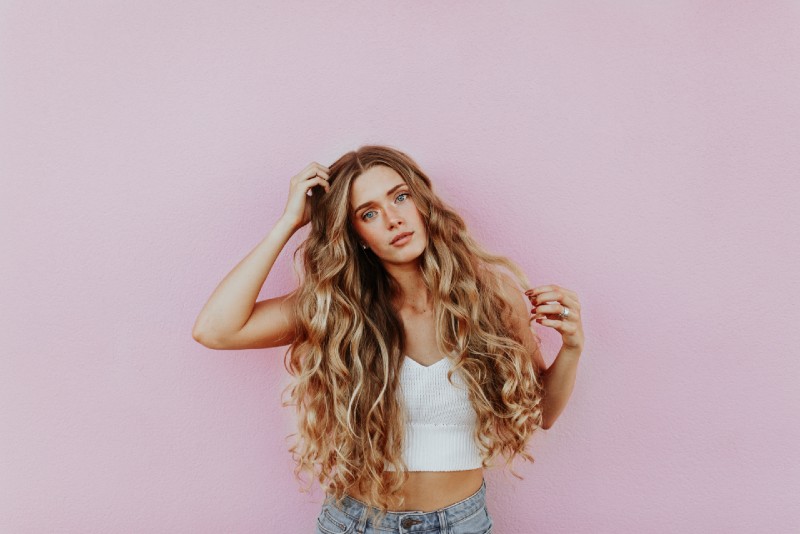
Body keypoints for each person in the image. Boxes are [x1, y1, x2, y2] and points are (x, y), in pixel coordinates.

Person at [192, 145, 585, 533]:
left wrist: (571, 348)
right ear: (356, 234)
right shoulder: (338, 309)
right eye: (369, 213)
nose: (394, 219)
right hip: (358, 523)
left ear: (422, 203)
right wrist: (290, 222)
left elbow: (542, 414)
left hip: (461, 524)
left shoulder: (492, 297)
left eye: (400, 197)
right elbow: (216, 330)